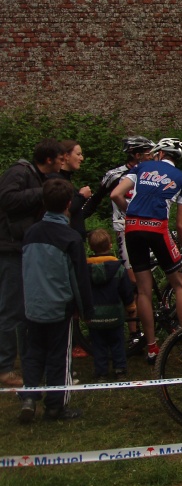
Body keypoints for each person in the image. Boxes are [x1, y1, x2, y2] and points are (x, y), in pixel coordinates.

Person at [110, 137, 182, 363]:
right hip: (158, 228)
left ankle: (152, 348)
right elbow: (180, 225)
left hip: (132, 228)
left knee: (144, 291)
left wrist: (132, 214)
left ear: (158, 153)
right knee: (180, 284)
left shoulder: (141, 167)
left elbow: (115, 194)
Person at [18, 178, 94, 423]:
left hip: (33, 305)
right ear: (69, 204)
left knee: (33, 353)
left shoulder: (30, 233)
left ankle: (29, 397)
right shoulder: (70, 238)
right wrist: (86, 310)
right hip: (59, 307)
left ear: (43, 202)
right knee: (59, 356)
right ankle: (55, 406)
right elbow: (79, 278)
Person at [0, 138, 64, 389]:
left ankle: (25, 364)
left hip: (21, 248)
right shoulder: (19, 172)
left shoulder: (36, 177)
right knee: (11, 310)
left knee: (22, 310)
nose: (62, 162)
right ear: (49, 159)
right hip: (9, 250)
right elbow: (7, 199)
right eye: (60, 158)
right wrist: (44, 193)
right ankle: (5, 369)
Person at [81, 135, 154, 350]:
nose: (153, 156)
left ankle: (152, 324)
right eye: (149, 153)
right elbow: (95, 200)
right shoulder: (115, 175)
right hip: (126, 230)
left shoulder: (153, 173)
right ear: (137, 155)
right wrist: (77, 219)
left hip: (150, 227)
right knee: (133, 283)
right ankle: (134, 332)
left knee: (149, 280)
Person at [85, 228, 135, 380]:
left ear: (90, 247)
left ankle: (101, 372)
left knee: (98, 345)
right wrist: (130, 306)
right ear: (110, 245)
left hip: (94, 316)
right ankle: (120, 369)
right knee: (117, 342)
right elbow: (126, 290)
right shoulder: (118, 269)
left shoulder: (86, 270)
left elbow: (82, 291)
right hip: (114, 314)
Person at [59, 140, 92, 239]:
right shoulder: (57, 181)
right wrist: (81, 196)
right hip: (66, 238)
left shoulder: (67, 180)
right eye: (78, 154)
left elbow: (80, 213)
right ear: (66, 156)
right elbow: (66, 209)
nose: (81, 158)